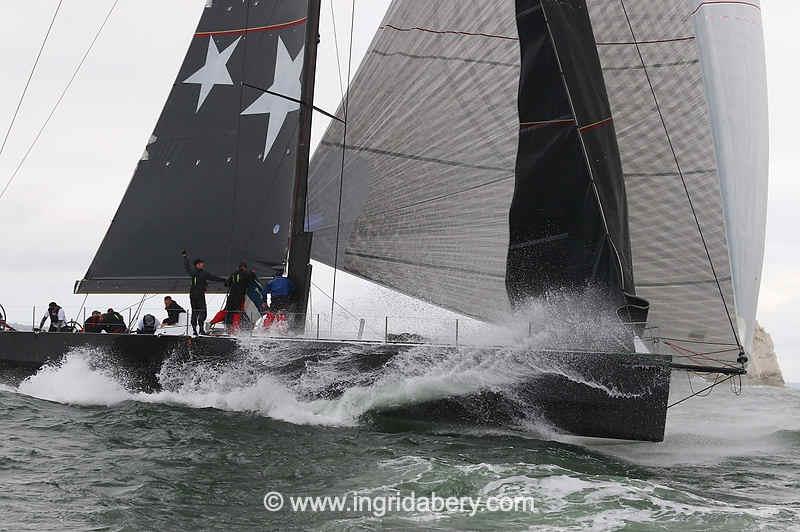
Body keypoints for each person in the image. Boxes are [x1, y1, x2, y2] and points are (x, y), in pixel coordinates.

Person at [183, 250, 225, 335]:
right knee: (203, 311)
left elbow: (187, 267)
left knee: (195, 311)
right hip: (199, 294)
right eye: (201, 264)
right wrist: (225, 280)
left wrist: (185, 257)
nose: (203, 265)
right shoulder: (203, 273)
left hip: (192, 294)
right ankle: (201, 329)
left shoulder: (192, 272)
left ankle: (194, 330)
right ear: (197, 265)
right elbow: (213, 278)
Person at [224, 262, 257, 328]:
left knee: (228, 311)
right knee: (237, 311)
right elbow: (252, 279)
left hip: (231, 296)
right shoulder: (247, 273)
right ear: (244, 268)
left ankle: (227, 326)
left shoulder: (233, 274)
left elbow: (226, 284)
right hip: (239, 296)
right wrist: (253, 273)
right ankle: (235, 327)